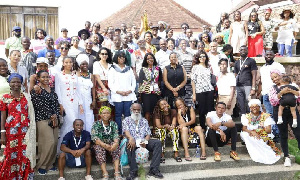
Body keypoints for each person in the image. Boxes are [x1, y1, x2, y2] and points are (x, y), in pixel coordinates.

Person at [0, 73, 36, 179]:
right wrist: (2, 133)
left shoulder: (26, 97)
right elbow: (3, 117)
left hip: (25, 133)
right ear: (9, 84)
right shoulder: (4, 98)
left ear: (21, 83)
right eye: (13, 82)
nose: (16, 84)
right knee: (10, 156)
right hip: (11, 133)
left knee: (25, 155)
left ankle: (24, 177)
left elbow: (30, 114)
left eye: (18, 82)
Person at [123, 103, 163, 179]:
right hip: (133, 141)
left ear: (141, 110)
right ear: (131, 110)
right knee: (129, 144)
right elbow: (126, 131)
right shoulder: (126, 120)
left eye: (138, 109)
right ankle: (133, 171)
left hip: (143, 141)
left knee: (157, 143)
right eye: (134, 109)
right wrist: (131, 138)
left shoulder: (144, 120)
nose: (136, 111)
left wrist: (145, 141)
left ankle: (154, 169)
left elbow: (148, 133)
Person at [269, 69, 300, 167]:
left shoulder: (293, 85)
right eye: (272, 78)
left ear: (280, 75)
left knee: (298, 133)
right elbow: (273, 102)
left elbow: (298, 97)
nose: (274, 79)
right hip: (279, 112)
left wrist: (291, 91)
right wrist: (281, 92)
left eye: (276, 76)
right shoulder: (273, 88)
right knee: (283, 134)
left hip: (292, 111)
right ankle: (286, 157)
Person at [31, 70, 60, 175]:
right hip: (42, 119)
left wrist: (56, 115)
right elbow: (38, 105)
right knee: (48, 142)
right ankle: (42, 165)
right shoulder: (36, 90)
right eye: (43, 77)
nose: (46, 79)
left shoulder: (52, 90)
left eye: (47, 77)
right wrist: (50, 116)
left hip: (55, 119)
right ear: (38, 78)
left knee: (55, 142)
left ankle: (50, 164)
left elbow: (56, 104)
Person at [55, 56, 84, 152]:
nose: (68, 64)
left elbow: (78, 91)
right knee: (70, 123)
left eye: (70, 62)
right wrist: (60, 104)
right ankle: (62, 149)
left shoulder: (75, 75)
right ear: (63, 63)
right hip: (65, 102)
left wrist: (80, 104)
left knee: (74, 122)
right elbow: (57, 91)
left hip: (75, 102)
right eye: (66, 62)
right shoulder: (58, 75)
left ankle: (72, 147)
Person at [240, 99, 281, 164]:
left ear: (259, 107)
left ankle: (262, 155)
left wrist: (257, 131)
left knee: (257, 139)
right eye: (252, 107)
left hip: (263, 134)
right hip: (250, 133)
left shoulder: (265, 116)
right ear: (250, 108)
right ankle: (256, 154)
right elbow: (244, 129)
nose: (254, 108)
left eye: (256, 106)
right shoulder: (246, 116)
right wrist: (252, 132)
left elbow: (268, 130)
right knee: (246, 135)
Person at [108, 51, 136, 135]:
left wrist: (130, 90)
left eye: (123, 57)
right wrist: (119, 91)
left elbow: (133, 82)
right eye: (120, 57)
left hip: (128, 95)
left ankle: (128, 133)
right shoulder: (112, 69)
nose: (122, 59)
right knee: (118, 115)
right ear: (116, 58)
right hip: (117, 96)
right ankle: (119, 133)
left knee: (128, 115)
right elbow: (110, 83)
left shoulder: (129, 68)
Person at [91, 106, 122, 180]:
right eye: (103, 113)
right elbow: (94, 138)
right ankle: (105, 173)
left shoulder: (113, 124)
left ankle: (117, 172)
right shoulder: (96, 124)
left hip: (111, 143)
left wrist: (116, 143)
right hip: (100, 144)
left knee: (116, 148)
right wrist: (104, 145)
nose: (106, 115)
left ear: (110, 114)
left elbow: (116, 135)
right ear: (100, 115)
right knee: (99, 149)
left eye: (108, 113)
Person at [191, 51, 214, 129]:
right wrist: (194, 94)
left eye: (204, 56)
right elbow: (193, 81)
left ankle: (210, 126)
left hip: (209, 90)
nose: (202, 58)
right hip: (200, 91)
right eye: (200, 57)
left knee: (210, 110)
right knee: (202, 111)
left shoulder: (209, 66)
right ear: (198, 58)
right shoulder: (195, 67)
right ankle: (203, 127)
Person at [257, 50, 285, 115]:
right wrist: (258, 93)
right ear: (264, 56)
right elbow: (261, 82)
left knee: (276, 113)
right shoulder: (262, 68)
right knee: (269, 114)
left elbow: (283, 79)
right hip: (265, 94)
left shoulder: (278, 66)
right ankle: (272, 125)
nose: (268, 56)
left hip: (275, 93)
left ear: (274, 56)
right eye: (267, 55)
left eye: (270, 55)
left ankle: (276, 125)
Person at [138, 53, 162, 123]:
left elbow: (160, 81)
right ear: (145, 60)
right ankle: (147, 129)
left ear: (154, 59)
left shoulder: (158, 69)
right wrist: (140, 96)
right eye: (148, 59)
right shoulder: (143, 70)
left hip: (156, 92)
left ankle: (155, 129)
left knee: (156, 111)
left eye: (151, 58)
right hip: (146, 93)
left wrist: (156, 88)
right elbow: (140, 83)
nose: (150, 60)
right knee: (147, 111)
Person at [234, 46, 257, 115]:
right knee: (241, 104)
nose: (243, 51)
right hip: (238, 86)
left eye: (245, 50)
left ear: (247, 51)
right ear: (239, 51)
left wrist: (253, 88)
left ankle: (251, 119)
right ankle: (243, 119)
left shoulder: (251, 61)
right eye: (241, 50)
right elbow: (235, 75)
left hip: (248, 85)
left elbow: (254, 75)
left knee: (249, 103)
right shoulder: (237, 62)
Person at [77, 54, 95, 132]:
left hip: (88, 99)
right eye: (82, 64)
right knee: (80, 116)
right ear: (79, 65)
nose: (85, 65)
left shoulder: (91, 75)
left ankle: (90, 136)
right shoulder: (76, 74)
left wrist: (94, 100)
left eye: (86, 64)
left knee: (89, 117)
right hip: (79, 100)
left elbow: (93, 89)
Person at [93, 47, 113, 119]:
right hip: (100, 86)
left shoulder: (111, 65)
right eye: (102, 54)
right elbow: (97, 76)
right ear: (99, 55)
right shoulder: (96, 64)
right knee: (101, 107)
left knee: (109, 107)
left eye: (106, 54)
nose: (104, 55)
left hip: (110, 86)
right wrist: (104, 88)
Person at [177, 39, 194, 107]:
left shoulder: (191, 54)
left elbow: (193, 65)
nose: (183, 45)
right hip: (181, 78)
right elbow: (177, 66)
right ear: (179, 45)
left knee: (190, 96)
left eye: (184, 43)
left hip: (190, 77)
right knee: (182, 97)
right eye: (182, 43)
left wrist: (191, 74)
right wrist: (184, 74)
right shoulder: (177, 54)